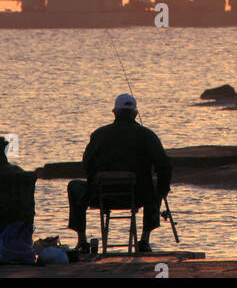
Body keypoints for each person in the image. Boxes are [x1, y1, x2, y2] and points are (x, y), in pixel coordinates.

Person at [66, 94, 172, 254]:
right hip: (138, 195)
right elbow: (164, 166)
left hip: (100, 196)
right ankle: (144, 240)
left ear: (114, 112)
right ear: (135, 114)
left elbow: (86, 164)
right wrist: (163, 190)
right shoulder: (147, 135)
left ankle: (82, 240)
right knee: (157, 185)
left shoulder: (98, 134)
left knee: (74, 186)